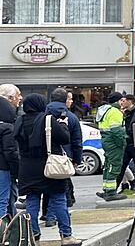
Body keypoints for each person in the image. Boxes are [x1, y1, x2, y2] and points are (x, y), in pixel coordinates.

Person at [14, 94, 81, 245]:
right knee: (58, 200)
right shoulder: (48, 119)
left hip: (27, 168)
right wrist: (63, 124)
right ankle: (67, 236)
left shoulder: (20, 121)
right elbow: (65, 138)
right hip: (49, 166)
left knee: (32, 202)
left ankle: (33, 236)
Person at [43, 88, 83, 227]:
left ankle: (47, 214)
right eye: (70, 99)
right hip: (62, 158)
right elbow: (76, 141)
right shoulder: (70, 117)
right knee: (59, 189)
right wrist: (77, 159)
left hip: (43, 158)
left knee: (47, 187)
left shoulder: (42, 114)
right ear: (64, 100)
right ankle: (52, 216)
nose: (71, 102)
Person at [97, 92, 127, 201]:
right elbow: (117, 131)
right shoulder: (115, 112)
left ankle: (106, 189)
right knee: (114, 167)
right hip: (114, 143)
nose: (123, 102)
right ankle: (111, 192)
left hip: (107, 142)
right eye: (121, 100)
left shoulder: (104, 110)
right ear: (118, 101)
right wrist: (122, 143)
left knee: (108, 166)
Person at [0, 84, 20, 215]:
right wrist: (16, 169)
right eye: (18, 96)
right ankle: (3, 231)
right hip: (3, 167)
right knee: (3, 200)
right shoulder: (9, 125)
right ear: (11, 98)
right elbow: (10, 151)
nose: (20, 98)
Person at [116, 94, 135, 194]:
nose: (122, 103)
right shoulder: (125, 112)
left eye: (123, 101)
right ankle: (115, 189)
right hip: (126, 143)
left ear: (130, 101)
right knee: (121, 167)